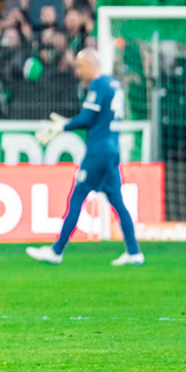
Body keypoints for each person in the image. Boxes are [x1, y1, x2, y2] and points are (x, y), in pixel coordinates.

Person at [25, 49, 143, 267]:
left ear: (91, 63)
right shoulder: (114, 84)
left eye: (80, 66)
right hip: (112, 149)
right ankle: (134, 252)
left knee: (76, 198)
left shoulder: (98, 84)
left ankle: (56, 251)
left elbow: (88, 117)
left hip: (98, 152)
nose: (78, 72)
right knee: (118, 202)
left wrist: (64, 126)